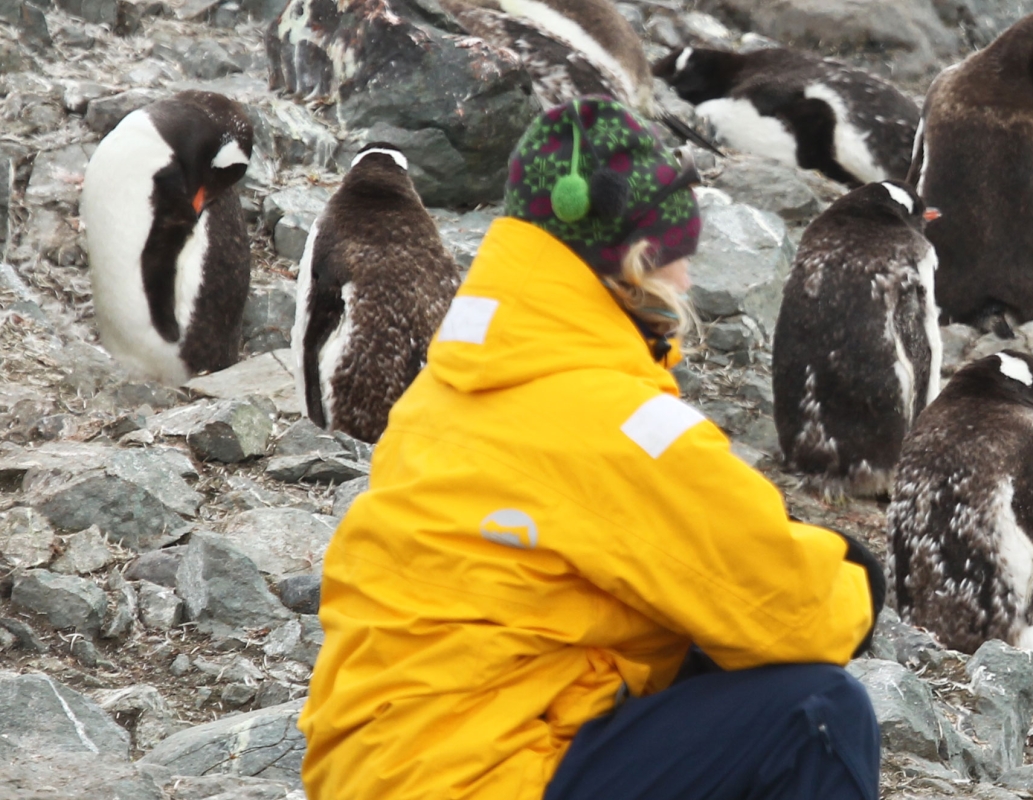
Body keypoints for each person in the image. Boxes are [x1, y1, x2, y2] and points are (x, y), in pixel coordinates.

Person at [298, 98, 885, 800]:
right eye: (677, 258)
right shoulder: (611, 420)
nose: (688, 282)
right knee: (818, 714)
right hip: (481, 779)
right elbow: (792, 608)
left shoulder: (446, 389)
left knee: (692, 645)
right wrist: (857, 575)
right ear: (637, 262)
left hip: (373, 770)